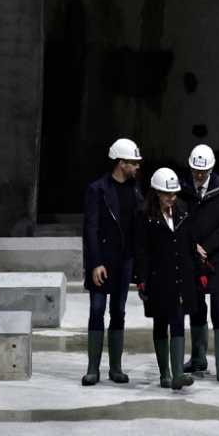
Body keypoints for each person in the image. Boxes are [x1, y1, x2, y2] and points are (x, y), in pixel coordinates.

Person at [80, 137, 144, 386]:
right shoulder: (98, 189)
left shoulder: (135, 190)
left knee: (118, 312)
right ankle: (92, 368)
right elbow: (91, 228)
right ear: (121, 163)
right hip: (103, 262)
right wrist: (95, 263)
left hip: (124, 261)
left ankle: (115, 367)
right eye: (133, 163)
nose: (137, 167)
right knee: (97, 310)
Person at [134, 167, 199, 390]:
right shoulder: (145, 217)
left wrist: (197, 271)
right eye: (166, 194)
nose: (171, 198)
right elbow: (141, 251)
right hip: (157, 279)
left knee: (178, 320)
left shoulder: (183, 212)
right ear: (156, 193)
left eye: (174, 194)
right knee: (161, 323)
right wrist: (141, 280)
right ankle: (165, 373)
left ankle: (178, 373)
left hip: (180, 276)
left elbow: (189, 243)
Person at [180, 143, 219, 382]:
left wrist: (208, 246)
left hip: (217, 257)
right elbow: (180, 219)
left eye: (203, 172)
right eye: (195, 171)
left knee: (218, 305)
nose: (199, 175)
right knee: (195, 306)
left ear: (212, 169)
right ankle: (198, 357)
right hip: (191, 254)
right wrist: (192, 246)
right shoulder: (184, 189)